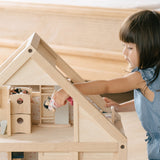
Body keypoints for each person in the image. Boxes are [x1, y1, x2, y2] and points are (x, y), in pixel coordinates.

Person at [53, 10, 160, 160]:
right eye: (124, 46)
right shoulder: (153, 75)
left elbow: (107, 86)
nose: (124, 53)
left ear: (153, 50)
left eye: (130, 48)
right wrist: (120, 107)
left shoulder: (141, 77)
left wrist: (71, 89)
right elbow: (150, 104)